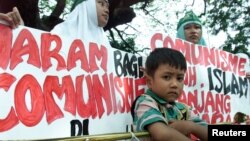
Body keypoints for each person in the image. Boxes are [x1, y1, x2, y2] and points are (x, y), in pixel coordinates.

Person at [132, 48, 208, 141]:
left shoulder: (183, 109)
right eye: (167, 77)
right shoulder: (145, 103)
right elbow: (163, 134)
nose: (175, 84)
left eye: (179, 78)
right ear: (150, 82)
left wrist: (192, 126)